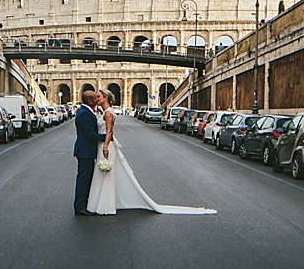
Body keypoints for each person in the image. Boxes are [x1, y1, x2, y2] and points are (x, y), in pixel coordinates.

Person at [87, 88, 216, 216]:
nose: (96, 99)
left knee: (106, 174)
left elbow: (109, 131)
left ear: (106, 98)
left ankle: (105, 205)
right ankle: (103, 203)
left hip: (107, 146)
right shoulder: (106, 112)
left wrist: (105, 147)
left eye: (98, 97)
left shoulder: (108, 113)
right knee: (103, 174)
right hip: (104, 144)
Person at [73, 89, 105, 216]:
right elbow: (90, 134)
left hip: (85, 150)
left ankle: (83, 203)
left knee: (85, 178)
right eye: (95, 98)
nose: (97, 100)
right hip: (85, 151)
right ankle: (80, 206)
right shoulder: (85, 113)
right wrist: (105, 138)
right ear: (90, 101)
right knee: (84, 179)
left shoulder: (84, 111)